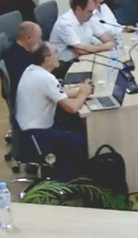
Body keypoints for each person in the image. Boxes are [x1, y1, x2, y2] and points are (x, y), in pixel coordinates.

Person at [15, 42, 93, 178]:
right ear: (47, 60)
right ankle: (68, 182)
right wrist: (84, 93)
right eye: (55, 53)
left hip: (26, 132)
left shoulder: (31, 70)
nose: (59, 55)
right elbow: (72, 108)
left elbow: (56, 92)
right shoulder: (45, 78)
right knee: (83, 140)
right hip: (36, 136)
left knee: (74, 125)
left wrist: (78, 92)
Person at [50, 0, 116, 74]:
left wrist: (104, 45)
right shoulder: (65, 23)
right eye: (90, 11)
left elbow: (107, 39)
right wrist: (105, 46)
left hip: (83, 58)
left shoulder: (88, 18)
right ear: (78, 9)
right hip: (65, 64)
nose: (92, 14)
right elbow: (80, 50)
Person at [3, 21, 43, 103]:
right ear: (29, 38)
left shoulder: (18, 50)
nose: (40, 42)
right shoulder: (18, 59)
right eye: (38, 38)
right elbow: (27, 84)